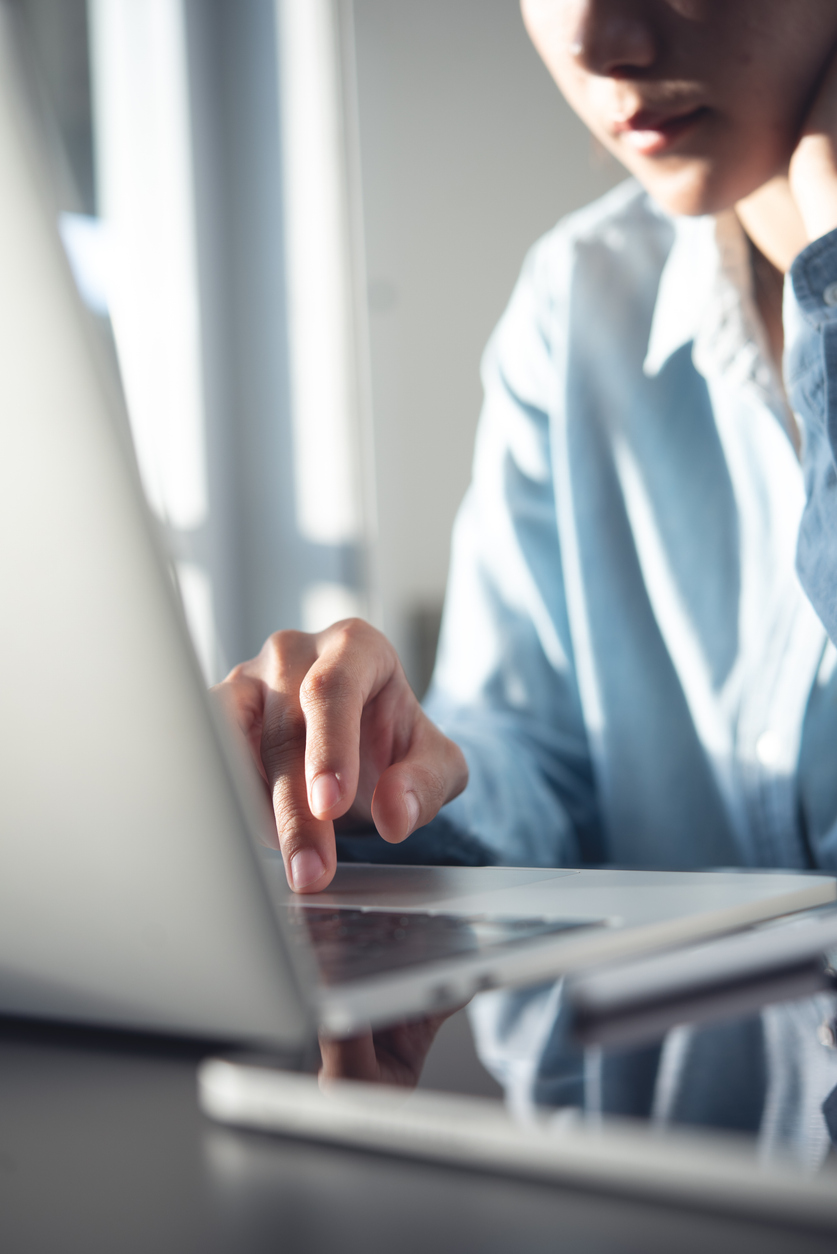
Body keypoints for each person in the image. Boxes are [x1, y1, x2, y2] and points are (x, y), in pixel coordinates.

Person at [214, 1, 837, 1158]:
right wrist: (397, 779)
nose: (599, 39)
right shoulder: (578, 303)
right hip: (641, 1200)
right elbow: (539, 773)